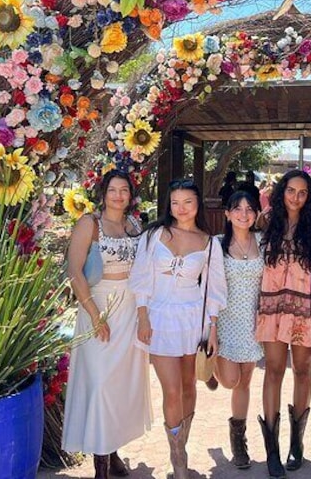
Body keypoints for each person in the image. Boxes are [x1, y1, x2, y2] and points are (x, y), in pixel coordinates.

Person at [128, 179, 227, 479]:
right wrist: (143, 317)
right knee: (171, 390)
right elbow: (141, 278)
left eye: (187, 202)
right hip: (159, 319)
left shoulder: (209, 243)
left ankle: (181, 441)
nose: (181, 208)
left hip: (192, 319)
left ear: (198, 204)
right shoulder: (154, 236)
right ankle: (177, 457)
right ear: (168, 205)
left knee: (188, 386)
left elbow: (214, 290)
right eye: (175, 202)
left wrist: (212, 329)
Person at [63, 170, 151, 479]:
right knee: (100, 384)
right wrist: (94, 313)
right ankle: (100, 467)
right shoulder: (90, 224)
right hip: (97, 306)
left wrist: (144, 314)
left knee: (119, 386)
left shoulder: (135, 226)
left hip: (129, 309)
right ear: (104, 193)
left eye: (123, 190)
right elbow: (74, 271)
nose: (118, 195)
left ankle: (113, 451)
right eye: (112, 190)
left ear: (130, 194)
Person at [255, 169, 311, 479]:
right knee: (273, 371)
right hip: (272, 306)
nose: (295, 197)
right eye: (291, 190)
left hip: (304, 308)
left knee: (302, 371)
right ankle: (272, 450)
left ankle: (297, 442)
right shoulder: (266, 222)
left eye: (302, 192)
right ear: (282, 191)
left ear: (309, 197)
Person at [215, 190, 265, 470]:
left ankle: (238, 441)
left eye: (249, 209)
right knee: (229, 381)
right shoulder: (216, 245)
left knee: (244, 382)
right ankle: (213, 370)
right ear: (227, 214)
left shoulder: (263, 242)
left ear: (256, 213)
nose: (244, 214)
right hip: (224, 321)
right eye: (237, 208)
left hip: (252, 322)